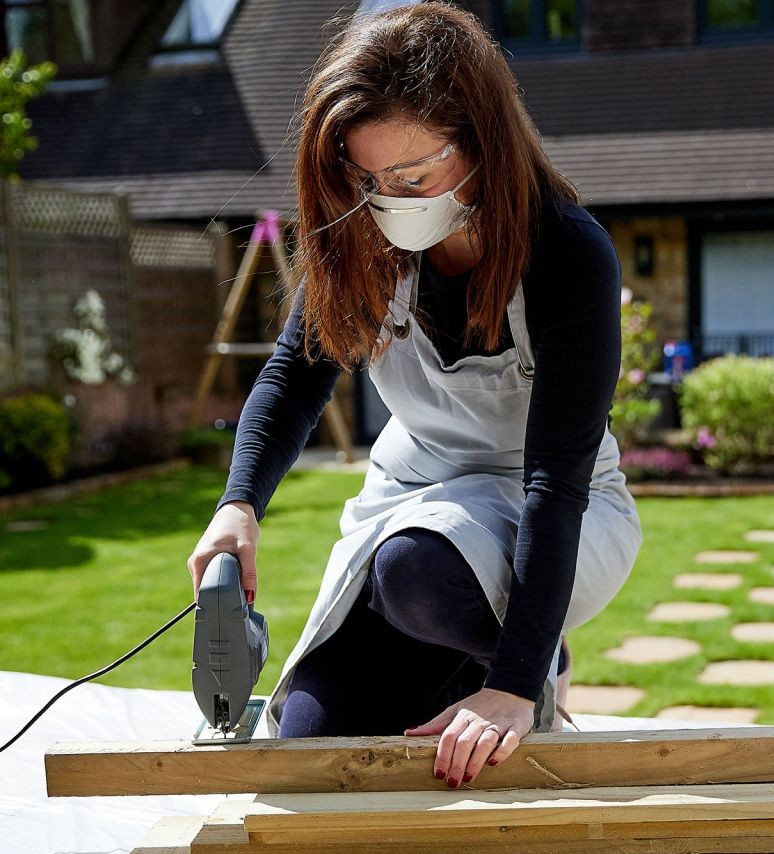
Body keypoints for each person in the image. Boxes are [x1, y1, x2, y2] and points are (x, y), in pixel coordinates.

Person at [186, 2, 642, 789]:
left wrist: (513, 681)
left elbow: (554, 480)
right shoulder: (360, 237)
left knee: (415, 574)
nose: (384, 199)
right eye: (364, 178)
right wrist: (238, 504)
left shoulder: (568, 253)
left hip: (548, 512)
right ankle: (462, 662)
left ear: (481, 140)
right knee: (310, 758)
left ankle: (536, 660)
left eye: (410, 176)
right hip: (412, 500)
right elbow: (293, 380)